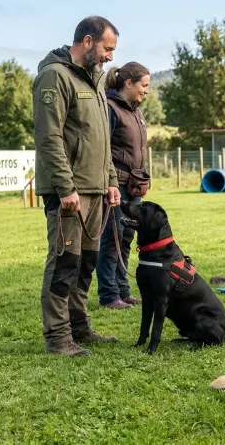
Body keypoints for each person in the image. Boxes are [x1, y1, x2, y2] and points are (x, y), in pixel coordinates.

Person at [33, 16, 121, 356]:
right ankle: (57, 338)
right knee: (63, 263)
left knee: (86, 262)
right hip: (69, 192)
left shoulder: (96, 80)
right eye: (107, 49)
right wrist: (65, 186)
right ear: (87, 41)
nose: (111, 57)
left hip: (96, 188)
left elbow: (101, 139)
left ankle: (79, 327)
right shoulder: (54, 76)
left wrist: (110, 181)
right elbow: (49, 137)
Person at [95, 62, 151, 309]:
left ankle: (123, 291)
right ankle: (109, 295)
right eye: (144, 85)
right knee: (112, 238)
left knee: (126, 237)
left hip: (135, 185)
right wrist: (110, 183)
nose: (146, 91)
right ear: (128, 83)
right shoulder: (109, 109)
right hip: (116, 185)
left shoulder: (135, 111)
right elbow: (102, 149)